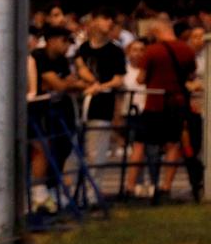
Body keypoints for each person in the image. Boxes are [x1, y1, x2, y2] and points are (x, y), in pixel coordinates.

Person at [135, 19, 198, 202]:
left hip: (154, 103)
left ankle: (153, 185)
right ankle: (166, 186)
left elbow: (141, 78)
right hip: (177, 102)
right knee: (173, 144)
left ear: (155, 31)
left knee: (152, 145)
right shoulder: (186, 50)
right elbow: (191, 74)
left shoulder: (152, 51)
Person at [27, 26, 86, 212]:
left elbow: (74, 82)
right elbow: (58, 84)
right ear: (51, 40)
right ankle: (39, 193)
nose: (67, 45)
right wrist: (65, 84)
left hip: (58, 114)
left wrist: (67, 84)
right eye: (64, 40)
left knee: (61, 149)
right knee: (41, 149)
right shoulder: (38, 56)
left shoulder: (60, 60)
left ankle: (52, 190)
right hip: (37, 113)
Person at [74, 12, 127, 176]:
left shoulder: (115, 50)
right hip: (81, 103)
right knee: (77, 150)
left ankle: (93, 192)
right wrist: (89, 83)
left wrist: (100, 87)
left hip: (103, 104)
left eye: (110, 19)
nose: (109, 22)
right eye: (105, 17)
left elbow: (118, 79)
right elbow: (79, 68)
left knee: (97, 149)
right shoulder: (83, 48)